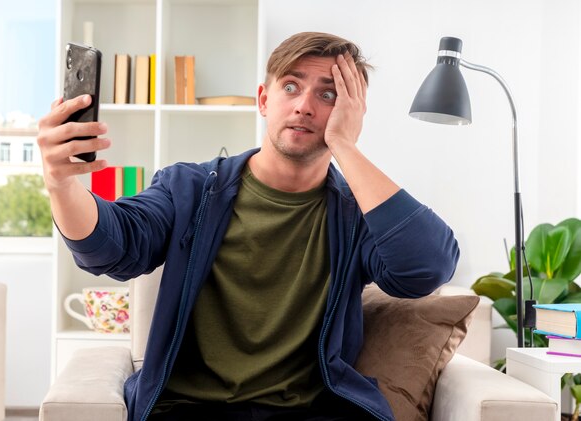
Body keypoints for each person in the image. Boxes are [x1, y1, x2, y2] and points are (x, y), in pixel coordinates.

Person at [37, 32, 459, 421]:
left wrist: (346, 147)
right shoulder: (189, 188)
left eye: (328, 94)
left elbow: (426, 269)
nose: (304, 106)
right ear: (263, 100)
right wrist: (61, 183)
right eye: (291, 87)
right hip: (187, 409)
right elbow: (113, 247)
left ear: (351, 114)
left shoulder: (357, 215)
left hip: (312, 412)